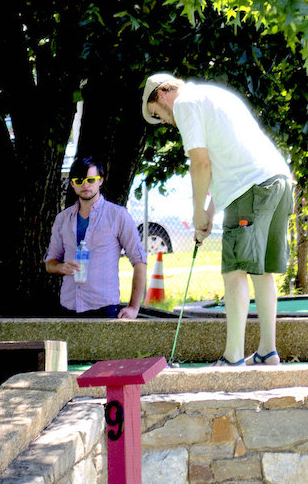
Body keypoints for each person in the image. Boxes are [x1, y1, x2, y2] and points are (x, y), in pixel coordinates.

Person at [141, 73, 293, 366]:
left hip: (250, 188)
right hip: (277, 181)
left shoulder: (184, 104)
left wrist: (197, 209)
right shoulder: (213, 95)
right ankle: (266, 352)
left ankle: (233, 357)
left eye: (157, 115)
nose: (164, 121)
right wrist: (209, 214)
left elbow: (201, 163)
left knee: (234, 271)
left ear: (161, 94)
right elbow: (227, 161)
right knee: (262, 271)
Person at [45, 156, 147, 319]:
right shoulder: (63, 218)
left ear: (100, 181)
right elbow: (50, 263)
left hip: (104, 308)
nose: (85, 185)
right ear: (72, 184)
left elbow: (139, 260)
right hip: (69, 307)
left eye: (91, 180)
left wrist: (134, 307)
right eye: (79, 181)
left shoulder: (117, 215)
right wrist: (61, 267)